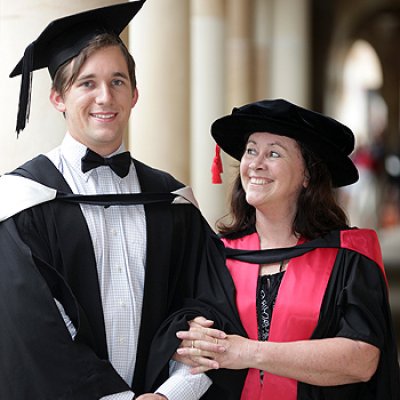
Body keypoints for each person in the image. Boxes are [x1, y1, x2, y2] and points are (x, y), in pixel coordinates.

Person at [0, 2, 245, 399]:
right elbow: (33, 333)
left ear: (134, 95)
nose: (105, 97)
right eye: (86, 83)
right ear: (57, 98)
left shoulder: (172, 202)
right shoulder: (23, 203)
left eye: (117, 81)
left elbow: (208, 310)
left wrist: (173, 393)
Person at [167, 99, 400, 399]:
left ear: (307, 175)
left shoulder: (349, 255)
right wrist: (190, 336)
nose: (256, 164)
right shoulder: (218, 254)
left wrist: (249, 352)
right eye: (251, 150)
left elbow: (362, 359)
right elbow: (178, 335)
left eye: (273, 153)